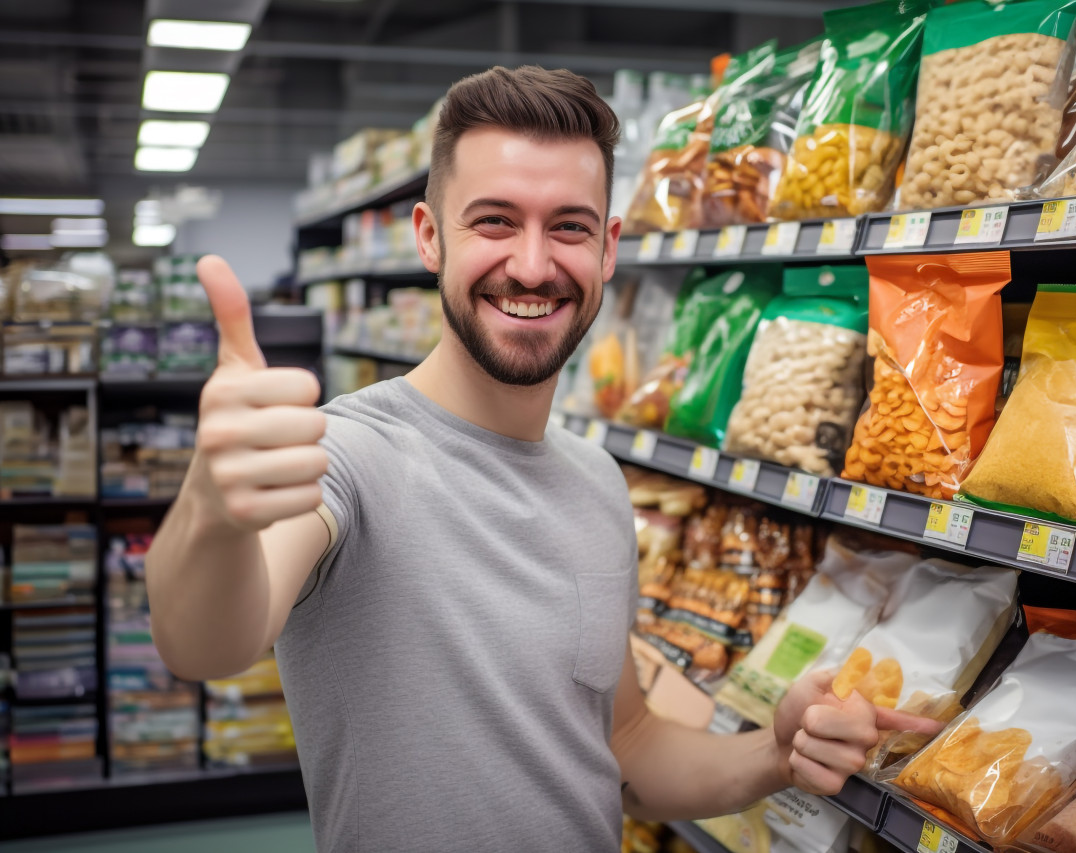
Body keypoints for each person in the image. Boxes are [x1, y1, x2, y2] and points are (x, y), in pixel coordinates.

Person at [147, 65, 942, 852]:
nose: (532, 265)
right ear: (430, 237)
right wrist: (210, 511)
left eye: (568, 226)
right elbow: (207, 643)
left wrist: (777, 754)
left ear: (606, 249)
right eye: (494, 221)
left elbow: (628, 745)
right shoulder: (350, 454)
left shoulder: (599, 484)